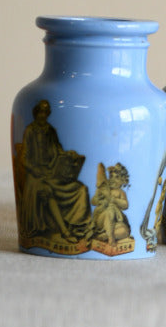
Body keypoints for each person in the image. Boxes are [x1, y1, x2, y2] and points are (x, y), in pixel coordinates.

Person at [18, 99, 91, 243]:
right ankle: (64, 232)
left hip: (52, 173)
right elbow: (23, 158)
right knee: (46, 191)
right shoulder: (30, 131)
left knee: (81, 189)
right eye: (40, 112)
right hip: (36, 176)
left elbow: (58, 151)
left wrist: (69, 155)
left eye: (45, 112)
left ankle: (80, 226)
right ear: (36, 113)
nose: (43, 115)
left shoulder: (51, 131)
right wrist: (34, 170)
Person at [90, 163, 130, 246]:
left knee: (124, 230)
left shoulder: (121, 193)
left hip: (115, 222)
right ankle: (111, 238)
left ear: (123, 181)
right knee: (109, 211)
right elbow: (93, 201)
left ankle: (104, 236)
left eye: (117, 177)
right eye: (111, 177)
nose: (113, 180)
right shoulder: (104, 189)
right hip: (102, 219)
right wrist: (100, 200)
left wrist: (114, 200)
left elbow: (125, 205)